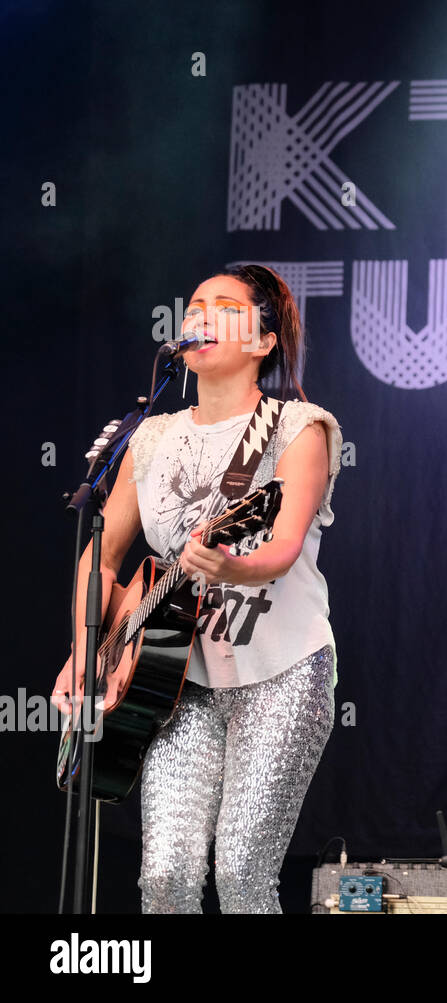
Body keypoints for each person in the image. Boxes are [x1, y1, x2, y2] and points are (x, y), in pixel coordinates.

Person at [52, 264, 343, 912]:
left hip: (282, 669)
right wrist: (85, 650)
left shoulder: (300, 428)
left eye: (225, 306)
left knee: (241, 873)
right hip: (176, 680)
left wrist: (228, 567)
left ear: (264, 340)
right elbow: (99, 559)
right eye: (194, 307)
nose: (201, 316)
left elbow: (283, 544)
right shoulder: (151, 437)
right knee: (165, 878)